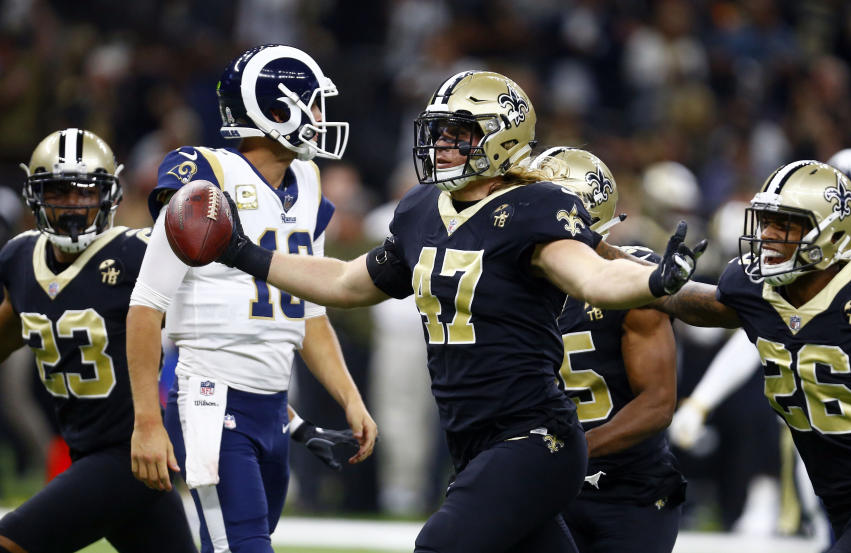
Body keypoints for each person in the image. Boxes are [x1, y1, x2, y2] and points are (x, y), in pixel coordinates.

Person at [211, 69, 705, 553]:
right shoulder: (423, 207)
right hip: (472, 443)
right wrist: (243, 252)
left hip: (534, 437)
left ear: (502, 139)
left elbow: (589, 276)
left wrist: (654, 279)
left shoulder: (536, 206)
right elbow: (345, 281)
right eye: (439, 131)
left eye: (460, 133)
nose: (442, 144)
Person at [126, 44, 377, 553]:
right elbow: (146, 306)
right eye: (313, 103)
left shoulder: (306, 180)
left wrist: (349, 397)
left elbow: (309, 312)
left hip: (272, 409)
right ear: (275, 111)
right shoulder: (204, 176)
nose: (322, 117)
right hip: (209, 397)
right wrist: (147, 421)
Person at [652, 159, 851, 553]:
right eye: (765, 222)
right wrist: (616, 260)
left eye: (786, 225)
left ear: (829, 235)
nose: (768, 236)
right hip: (839, 498)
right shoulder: (752, 289)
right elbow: (681, 301)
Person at [0, 129, 197, 553]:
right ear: (36, 195)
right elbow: (8, 329)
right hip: (94, 452)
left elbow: (204, 313)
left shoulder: (134, 253)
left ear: (108, 194)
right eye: (59, 191)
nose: (73, 204)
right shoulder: (18, 258)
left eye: (85, 192)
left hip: (129, 453)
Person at [531, 147, 686, 553]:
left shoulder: (631, 279)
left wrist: (574, 452)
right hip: (542, 485)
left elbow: (657, 403)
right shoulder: (509, 281)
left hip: (629, 490)